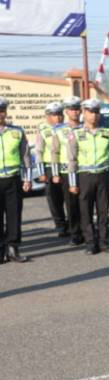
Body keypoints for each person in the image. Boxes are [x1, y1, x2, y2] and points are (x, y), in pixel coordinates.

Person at [66, 99, 109, 254]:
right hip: (85, 176)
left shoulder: (107, 132)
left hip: (103, 175)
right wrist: (72, 183)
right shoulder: (76, 134)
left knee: (103, 211)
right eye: (90, 112)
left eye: (96, 112)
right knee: (86, 211)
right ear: (84, 113)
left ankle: (104, 242)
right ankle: (90, 243)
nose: (94, 115)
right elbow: (72, 159)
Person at [0, 98, 32, 264]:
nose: (0, 113)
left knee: (14, 215)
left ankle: (13, 248)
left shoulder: (17, 131)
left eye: (2, 110)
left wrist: (27, 178)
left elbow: (25, 156)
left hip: (13, 179)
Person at [50, 96, 85, 245]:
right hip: (66, 172)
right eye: (71, 109)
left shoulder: (86, 128)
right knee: (71, 204)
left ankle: (87, 230)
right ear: (66, 111)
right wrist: (55, 173)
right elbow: (54, 152)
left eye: (77, 109)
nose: (75, 112)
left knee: (85, 202)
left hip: (83, 170)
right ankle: (75, 233)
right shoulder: (59, 130)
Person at [35, 101, 68, 236]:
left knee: (70, 197)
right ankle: (60, 225)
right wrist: (41, 172)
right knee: (54, 199)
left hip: (65, 167)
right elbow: (39, 152)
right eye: (54, 115)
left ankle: (72, 224)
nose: (58, 117)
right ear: (47, 116)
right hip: (49, 168)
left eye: (60, 114)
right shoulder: (43, 130)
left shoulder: (68, 129)